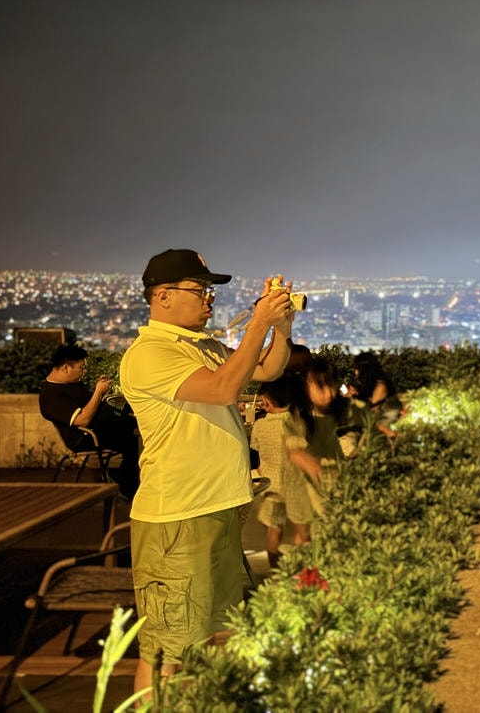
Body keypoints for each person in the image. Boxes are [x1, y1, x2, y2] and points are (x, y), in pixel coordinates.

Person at [119, 248, 296, 698]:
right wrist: (257, 322)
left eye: (209, 290)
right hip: (177, 520)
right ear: (162, 296)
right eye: (199, 289)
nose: (209, 298)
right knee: (166, 652)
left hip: (218, 510)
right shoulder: (149, 354)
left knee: (217, 634)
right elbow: (221, 390)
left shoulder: (202, 347)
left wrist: (281, 325)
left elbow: (268, 369)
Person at [39, 344, 141, 499]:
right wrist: (98, 393)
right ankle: (128, 486)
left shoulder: (71, 384)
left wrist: (99, 392)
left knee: (136, 422)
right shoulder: (51, 396)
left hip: (105, 425)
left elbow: (88, 403)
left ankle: (125, 479)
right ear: (66, 368)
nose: (83, 372)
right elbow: (83, 420)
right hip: (86, 437)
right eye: (80, 368)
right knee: (133, 438)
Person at [249, 376, 311, 568]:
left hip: (272, 486)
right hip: (295, 484)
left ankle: (276, 571)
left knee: (274, 530)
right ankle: (306, 570)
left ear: (267, 400)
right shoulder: (298, 423)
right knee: (302, 530)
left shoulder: (260, 425)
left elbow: (256, 450)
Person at [285, 355, 344, 518]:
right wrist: (314, 466)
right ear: (306, 386)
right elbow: (295, 452)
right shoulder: (300, 419)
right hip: (315, 493)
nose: (329, 392)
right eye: (321, 386)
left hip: (335, 483)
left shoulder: (334, 414)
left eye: (331, 384)